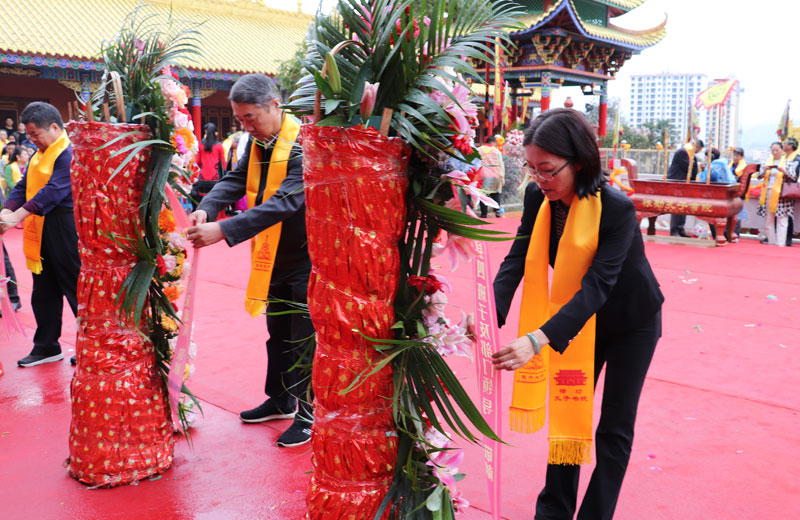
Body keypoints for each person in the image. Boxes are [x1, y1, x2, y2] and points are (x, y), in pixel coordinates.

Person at [489, 109, 664, 520]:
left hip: (630, 323)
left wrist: (536, 339)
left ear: (579, 162)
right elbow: (517, 259)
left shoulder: (617, 208)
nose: (539, 180)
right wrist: (487, 312)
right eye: (532, 170)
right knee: (570, 408)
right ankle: (554, 511)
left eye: (548, 170)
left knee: (613, 429)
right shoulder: (538, 198)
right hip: (573, 320)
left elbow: (598, 286)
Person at [186, 74, 314, 447]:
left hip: (306, 255)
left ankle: (309, 413)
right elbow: (236, 178)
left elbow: (286, 202)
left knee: (304, 337)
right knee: (277, 333)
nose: (245, 126)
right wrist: (208, 209)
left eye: (250, 118)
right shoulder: (258, 142)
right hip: (271, 254)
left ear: (275, 105)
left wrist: (224, 231)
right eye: (240, 120)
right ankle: (281, 398)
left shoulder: (304, 144)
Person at [0, 102, 80, 367]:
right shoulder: (38, 153)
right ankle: (47, 345)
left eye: (35, 134)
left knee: (75, 288)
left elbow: (54, 191)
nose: (31, 140)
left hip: (64, 228)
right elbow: (24, 185)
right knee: (43, 291)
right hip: (40, 228)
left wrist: (16, 217)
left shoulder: (68, 152)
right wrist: (7, 210)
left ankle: (91, 345)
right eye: (30, 135)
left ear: (55, 127)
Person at [666, 138, 703, 237]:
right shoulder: (682, 152)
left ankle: (680, 229)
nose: (698, 152)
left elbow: (693, 171)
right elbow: (688, 167)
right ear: (697, 147)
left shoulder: (692, 155)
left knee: (684, 206)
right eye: (699, 150)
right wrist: (697, 165)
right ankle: (674, 230)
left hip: (685, 183)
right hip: (676, 182)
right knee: (676, 206)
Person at [189, 122, 226, 210]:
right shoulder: (219, 146)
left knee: (202, 197)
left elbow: (197, 162)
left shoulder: (201, 145)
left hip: (203, 178)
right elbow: (223, 163)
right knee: (214, 197)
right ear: (215, 132)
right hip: (215, 177)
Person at [478, 135, 505, 217]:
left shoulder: (478, 150)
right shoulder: (496, 151)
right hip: (495, 175)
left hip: (482, 175)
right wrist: (502, 176)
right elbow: (501, 164)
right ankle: (497, 211)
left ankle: (484, 213)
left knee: (483, 194)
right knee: (496, 194)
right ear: (493, 142)